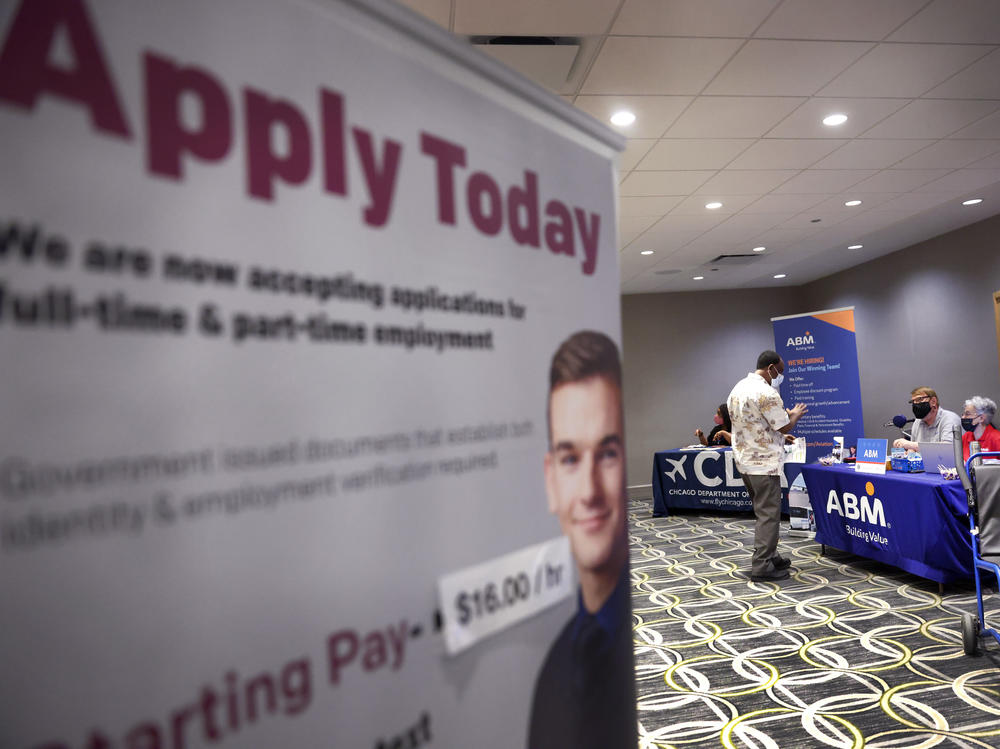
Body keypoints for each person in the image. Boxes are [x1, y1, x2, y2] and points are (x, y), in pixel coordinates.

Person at [528, 330, 636, 749]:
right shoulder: (553, 667)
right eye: (571, 459)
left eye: (607, 453)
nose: (589, 490)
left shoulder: (629, 653)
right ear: (551, 480)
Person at [727, 350, 808, 582]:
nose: (779, 376)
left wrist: (780, 437)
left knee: (762, 511)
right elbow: (784, 426)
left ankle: (771, 555)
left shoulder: (738, 387)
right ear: (771, 367)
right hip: (764, 464)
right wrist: (794, 415)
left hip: (745, 461)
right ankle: (762, 564)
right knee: (769, 515)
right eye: (779, 372)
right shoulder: (766, 391)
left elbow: (755, 425)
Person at [893, 387, 962, 451]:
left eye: (919, 399)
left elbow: (947, 449)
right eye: (913, 402)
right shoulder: (918, 422)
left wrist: (908, 444)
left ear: (933, 401)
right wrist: (907, 450)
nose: (915, 404)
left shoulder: (950, 419)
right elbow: (913, 449)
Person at [961, 396, 1000, 461]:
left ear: (981, 418)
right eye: (963, 414)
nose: (963, 417)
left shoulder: (997, 438)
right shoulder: (966, 437)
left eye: (967, 414)